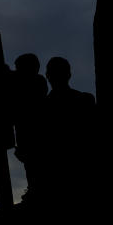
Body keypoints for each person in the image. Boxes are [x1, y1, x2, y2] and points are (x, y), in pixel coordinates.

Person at [42, 56, 96, 208]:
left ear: (47, 76)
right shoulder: (85, 100)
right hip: (83, 174)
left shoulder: (43, 108)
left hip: (57, 177)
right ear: (69, 75)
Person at [9, 53, 48, 206]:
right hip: (26, 133)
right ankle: (33, 191)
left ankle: (35, 193)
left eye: (19, 67)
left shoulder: (36, 82)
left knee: (35, 164)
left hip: (34, 132)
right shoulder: (32, 81)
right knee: (30, 164)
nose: (16, 70)